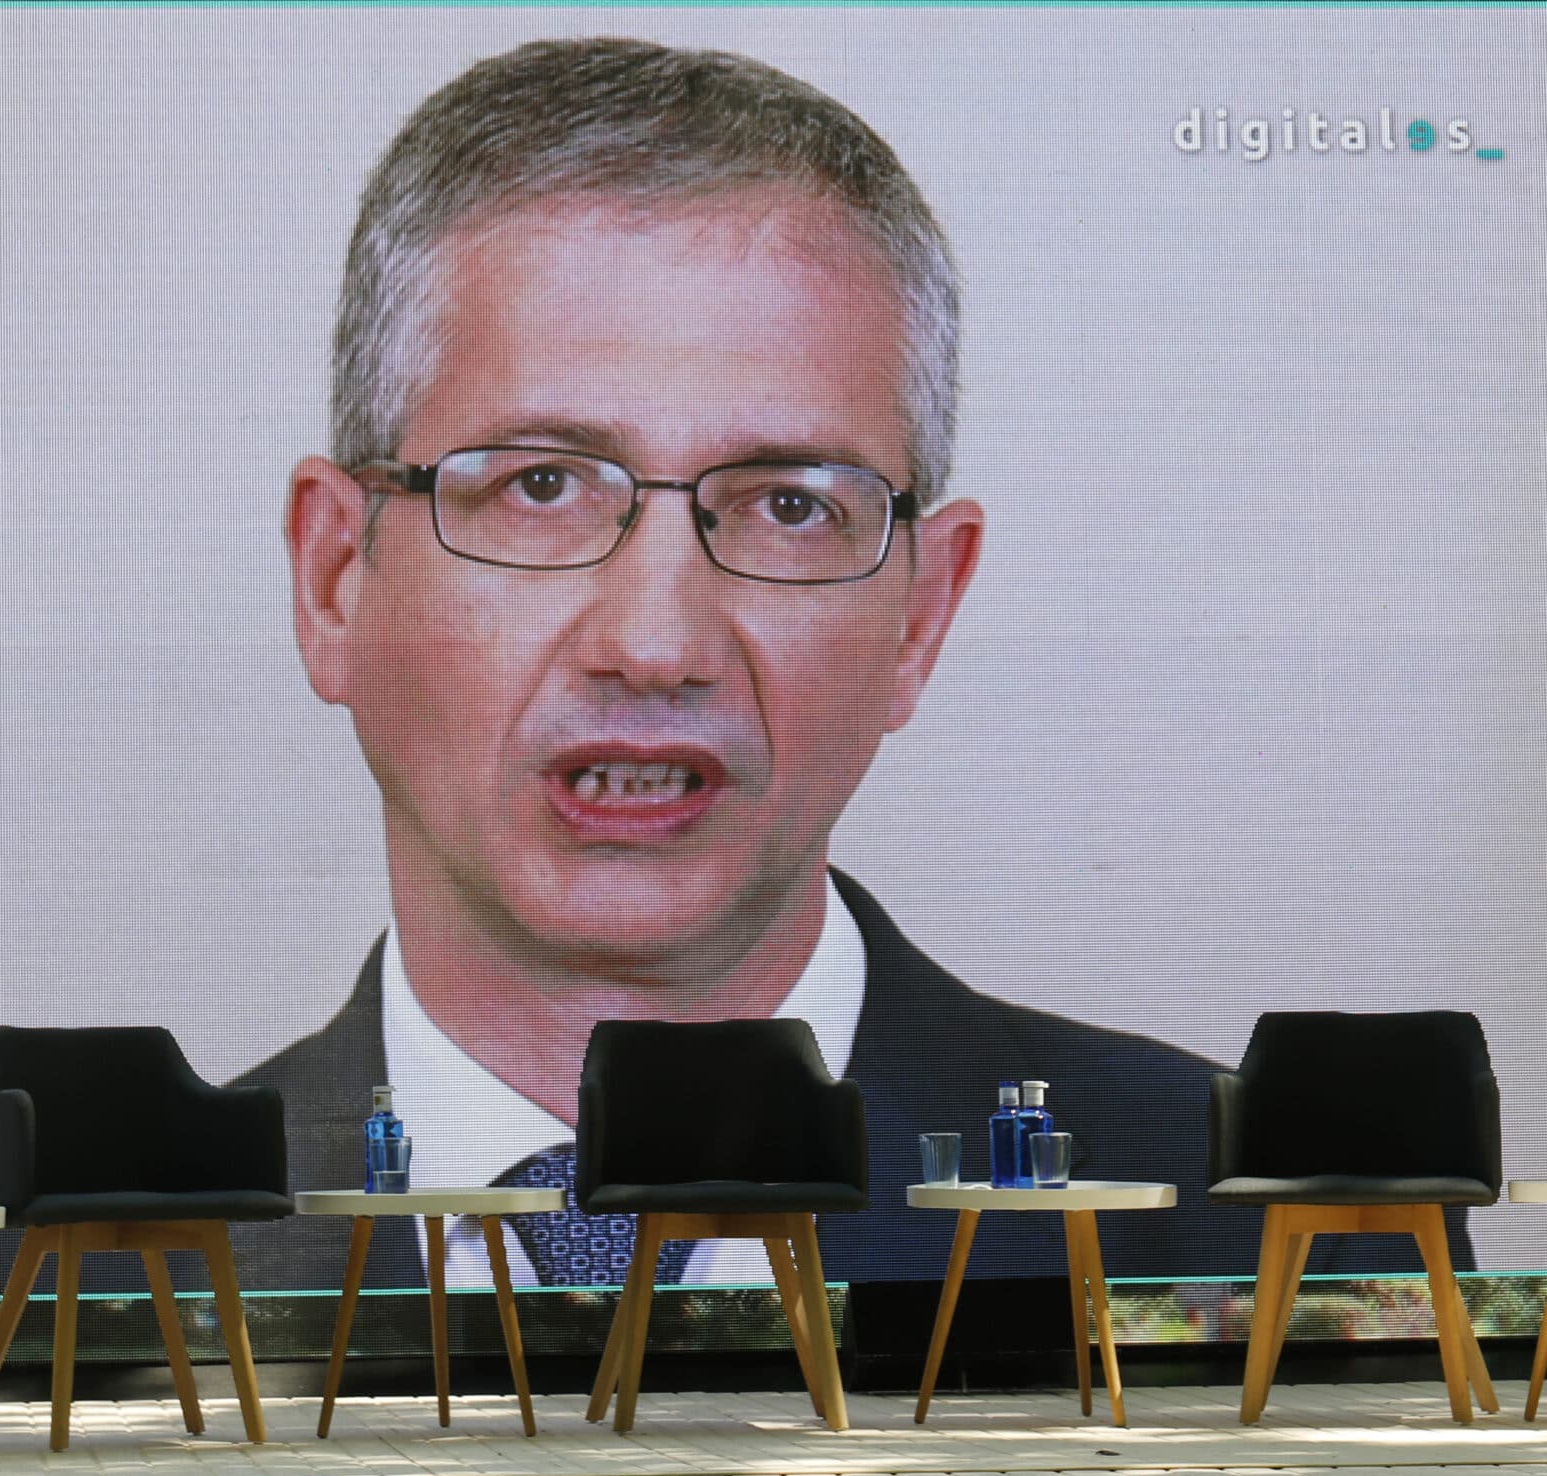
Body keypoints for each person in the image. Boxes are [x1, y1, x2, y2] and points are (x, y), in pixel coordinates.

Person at [239, 36, 1463, 1294]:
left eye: (787, 507)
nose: (656, 647)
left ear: (920, 616)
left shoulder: (1271, 1237)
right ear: (333, 576)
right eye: (539, 487)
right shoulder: (44, 1283)